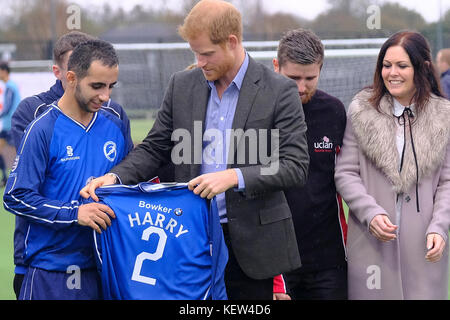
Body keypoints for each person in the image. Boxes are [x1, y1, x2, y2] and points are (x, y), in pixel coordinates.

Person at [81, 0, 309, 300]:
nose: (199, 62)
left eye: (206, 53)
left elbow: (295, 165)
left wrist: (234, 176)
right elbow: (154, 148)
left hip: (252, 250)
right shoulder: (182, 84)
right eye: (195, 53)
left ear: (232, 42)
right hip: (187, 238)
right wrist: (113, 178)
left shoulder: (279, 90)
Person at [3, 39, 133, 300]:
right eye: (97, 86)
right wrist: (75, 213)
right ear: (71, 78)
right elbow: (16, 196)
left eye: (111, 86)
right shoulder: (43, 128)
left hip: (106, 269)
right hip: (52, 271)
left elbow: (131, 185)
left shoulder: (115, 123)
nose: (105, 96)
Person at [334, 31, 450, 299]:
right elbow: (345, 172)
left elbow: (447, 182)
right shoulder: (361, 110)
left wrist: (438, 227)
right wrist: (371, 213)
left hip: (424, 247)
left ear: (422, 68)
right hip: (371, 246)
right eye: (386, 65)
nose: (392, 73)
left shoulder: (444, 115)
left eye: (402, 66)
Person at [272, 29, 347, 300]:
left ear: (321, 69)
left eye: (310, 78)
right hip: (275, 260)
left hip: (329, 259)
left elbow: (348, 176)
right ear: (276, 66)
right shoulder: (258, 113)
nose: (301, 87)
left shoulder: (335, 111)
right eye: (293, 78)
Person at [0, 62, 20, 186]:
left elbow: (7, 107)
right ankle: (5, 178)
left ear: (4, 71)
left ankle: (10, 179)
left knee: (20, 154)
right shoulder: (10, 85)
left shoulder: (11, 86)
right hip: (9, 124)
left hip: (11, 125)